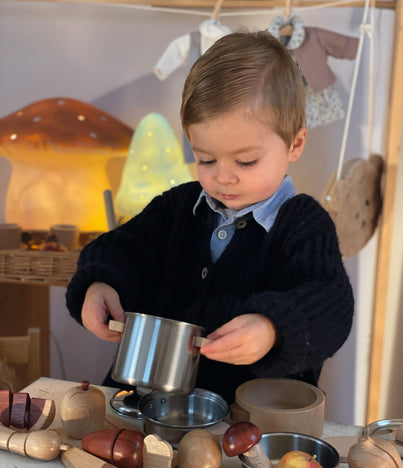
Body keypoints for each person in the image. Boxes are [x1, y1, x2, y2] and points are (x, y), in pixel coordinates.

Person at [66, 30, 354, 404]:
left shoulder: (304, 225)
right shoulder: (178, 207)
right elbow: (120, 249)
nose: (223, 176)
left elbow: (331, 303)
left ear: (295, 144)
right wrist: (99, 284)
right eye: (205, 159)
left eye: (246, 161)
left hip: (251, 426)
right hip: (142, 405)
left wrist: (272, 329)